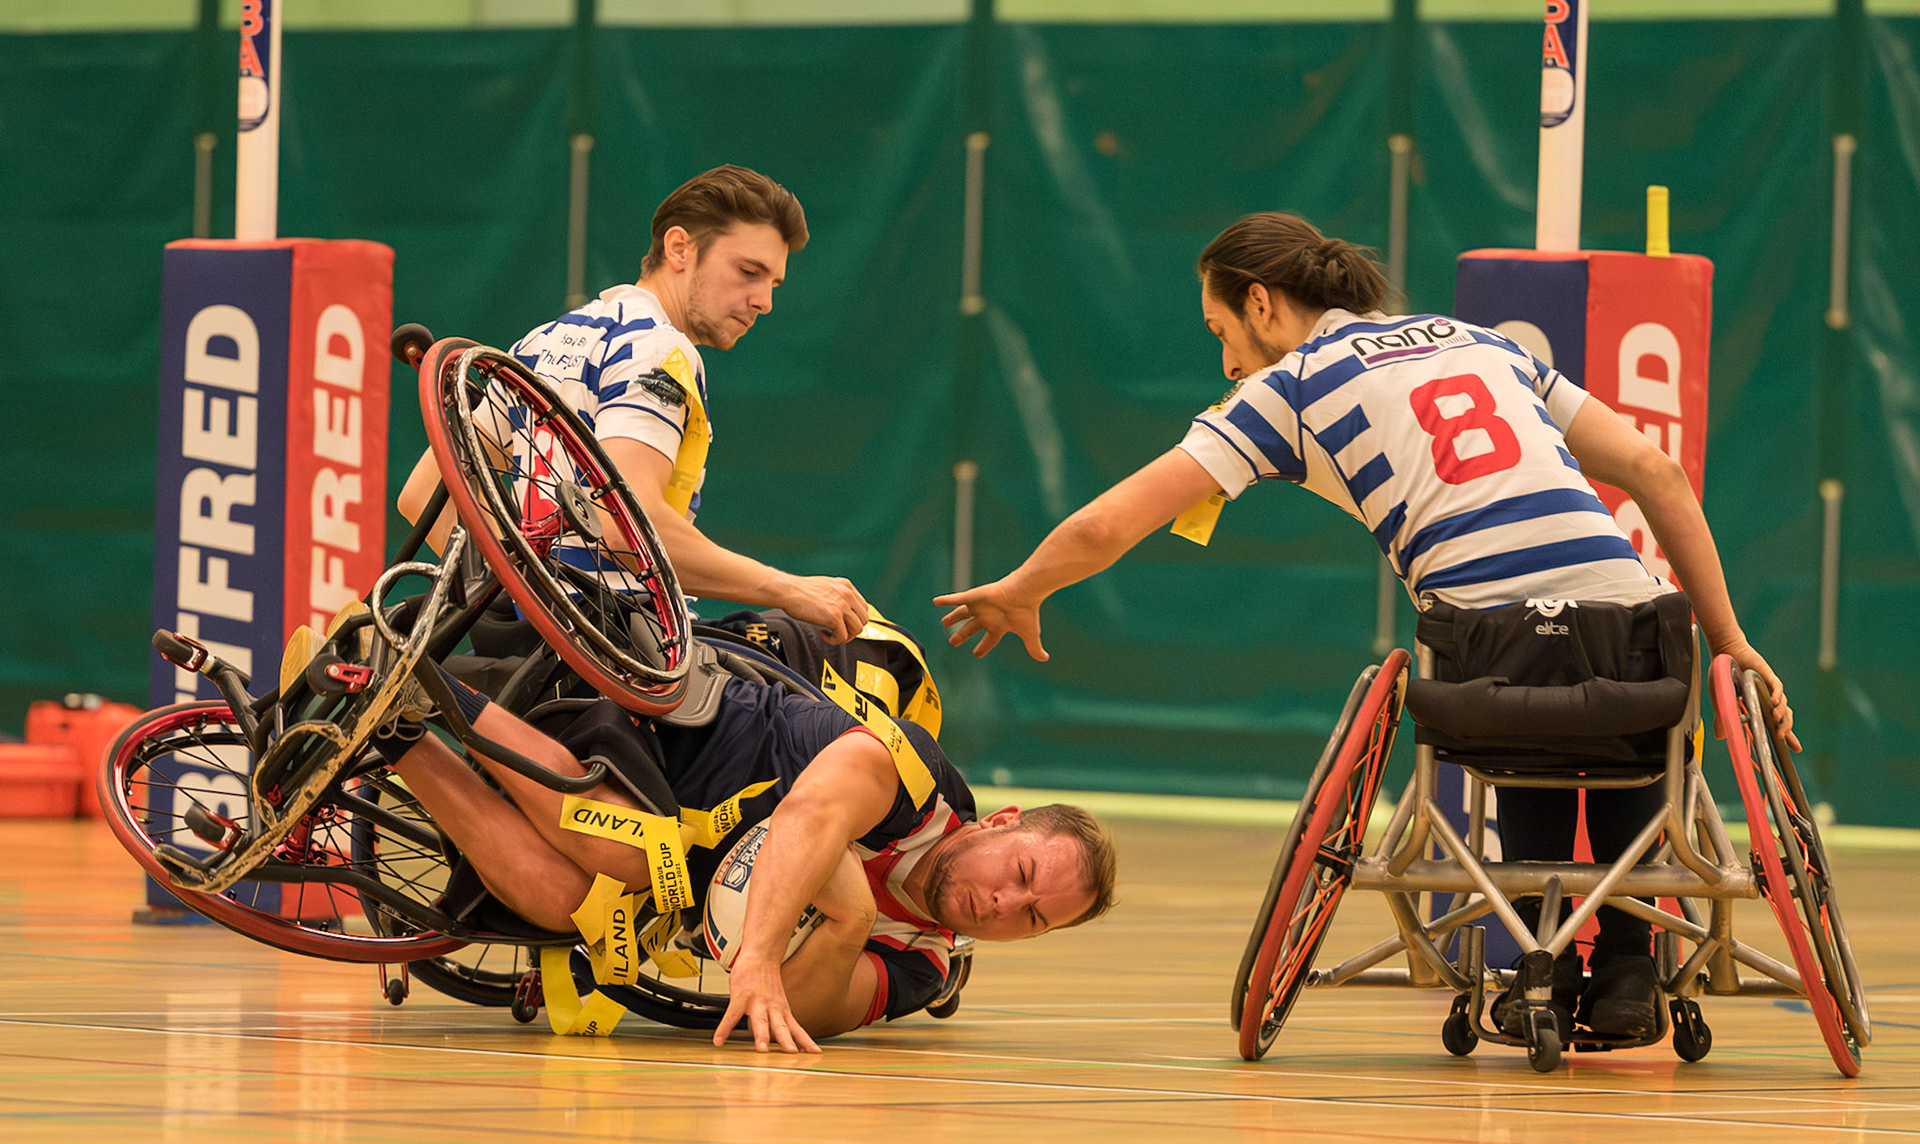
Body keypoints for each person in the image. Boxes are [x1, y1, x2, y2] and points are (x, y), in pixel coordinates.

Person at [934, 210, 1796, 1043]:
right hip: (1637, 625)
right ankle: (1630, 968)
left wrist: (1022, 588)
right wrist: (1731, 643)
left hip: (1491, 650)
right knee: (1623, 705)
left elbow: (1107, 525)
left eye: (1218, 327)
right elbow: (1655, 473)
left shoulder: (1291, 388)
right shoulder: (1478, 339)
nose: (1224, 355)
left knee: (1514, 699)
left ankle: (1546, 958)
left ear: (1262, 304)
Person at [370, 659, 1116, 1054]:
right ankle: (424, 685)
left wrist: (851, 923)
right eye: (1020, 876)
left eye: (1033, 920)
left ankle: (393, 733)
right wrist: (757, 954)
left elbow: (802, 1009)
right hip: (673, 740)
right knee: (633, 853)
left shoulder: (924, 964)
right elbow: (810, 814)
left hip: (681, 876)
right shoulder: (915, 775)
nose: (1002, 906)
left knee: (571, 905)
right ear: (1003, 823)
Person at [397, 164, 871, 644]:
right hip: (634, 658)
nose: (763, 300)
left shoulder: (543, 341)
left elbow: (423, 496)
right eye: (749, 272)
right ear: (679, 248)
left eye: (774, 283)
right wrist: (789, 588)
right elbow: (626, 524)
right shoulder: (659, 348)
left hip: (559, 656)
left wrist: (520, 605)